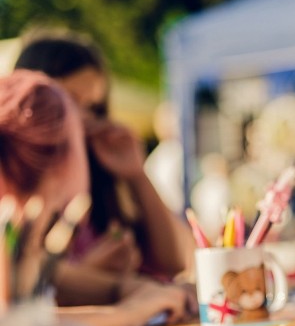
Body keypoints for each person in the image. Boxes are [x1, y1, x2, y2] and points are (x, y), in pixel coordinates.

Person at [0, 70, 192, 326]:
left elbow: (58, 280)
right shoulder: (10, 227)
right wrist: (130, 312)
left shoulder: (23, 229)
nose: (90, 124)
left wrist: (136, 291)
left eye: (94, 109)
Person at [14, 29, 190, 281]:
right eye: (72, 101)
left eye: (94, 107)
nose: (85, 119)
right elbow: (24, 283)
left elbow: (174, 261)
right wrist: (88, 275)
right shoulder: (17, 183)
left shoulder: (101, 172)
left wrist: (137, 175)